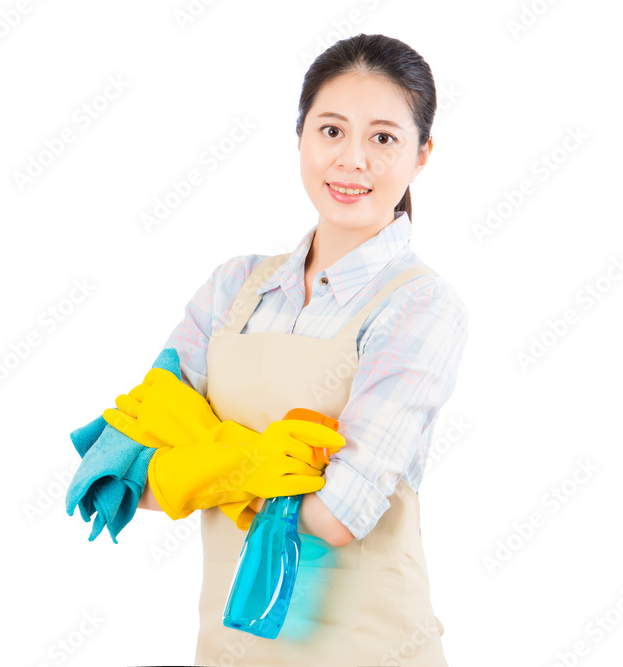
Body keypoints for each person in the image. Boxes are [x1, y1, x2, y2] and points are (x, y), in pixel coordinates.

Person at [102, 33, 468, 666]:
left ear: (421, 155)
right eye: (331, 130)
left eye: (383, 138)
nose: (352, 160)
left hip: (369, 649)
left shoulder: (419, 305)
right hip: (229, 647)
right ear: (300, 136)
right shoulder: (234, 287)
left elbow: (336, 516)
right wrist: (262, 462)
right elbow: (131, 468)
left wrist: (202, 461)